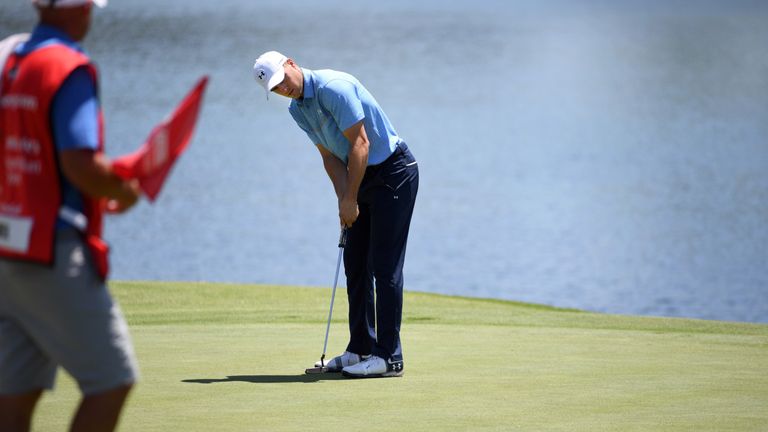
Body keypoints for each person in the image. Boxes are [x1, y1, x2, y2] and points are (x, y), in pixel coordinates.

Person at [0, 1, 142, 431]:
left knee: (14, 395)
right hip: (52, 248)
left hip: (7, 245)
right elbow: (79, 165)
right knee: (112, 381)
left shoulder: (7, 55)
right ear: (80, 9)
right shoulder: (68, 65)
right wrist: (123, 190)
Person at [253, 51, 419, 378]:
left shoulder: (333, 87)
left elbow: (360, 144)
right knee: (355, 265)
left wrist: (351, 197)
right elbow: (330, 158)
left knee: (385, 268)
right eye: (275, 89)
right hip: (360, 179)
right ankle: (361, 348)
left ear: (291, 64)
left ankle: (390, 356)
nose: (283, 89)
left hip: (393, 173)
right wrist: (345, 200)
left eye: (283, 80)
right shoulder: (298, 111)